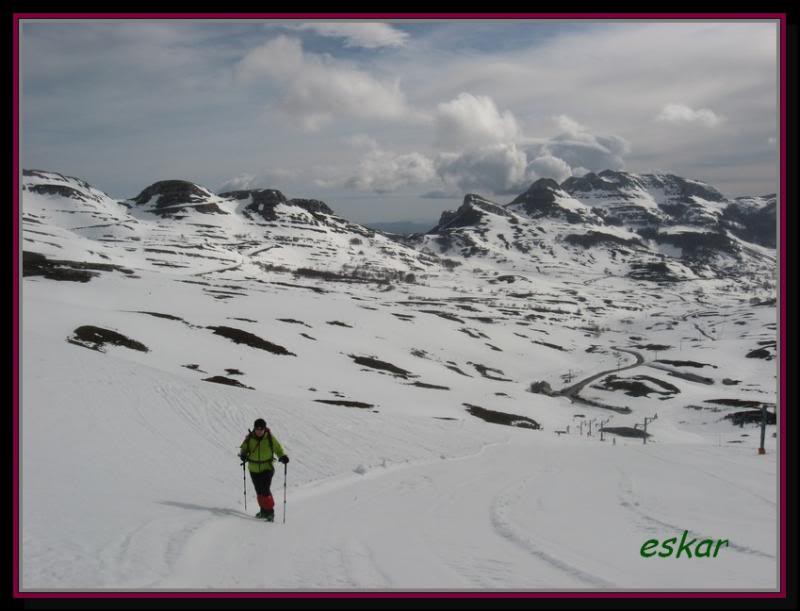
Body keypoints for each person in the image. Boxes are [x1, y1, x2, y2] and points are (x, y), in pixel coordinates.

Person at [239, 418, 289, 521]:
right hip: (253, 468)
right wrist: (243, 455)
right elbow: (244, 448)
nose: (259, 431)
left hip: (267, 468)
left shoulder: (270, 438)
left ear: (264, 428)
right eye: (257, 428)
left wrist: (282, 456)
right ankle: (263, 511)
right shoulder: (249, 438)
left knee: (265, 489)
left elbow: (278, 448)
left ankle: (270, 512)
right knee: (259, 491)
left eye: (261, 429)